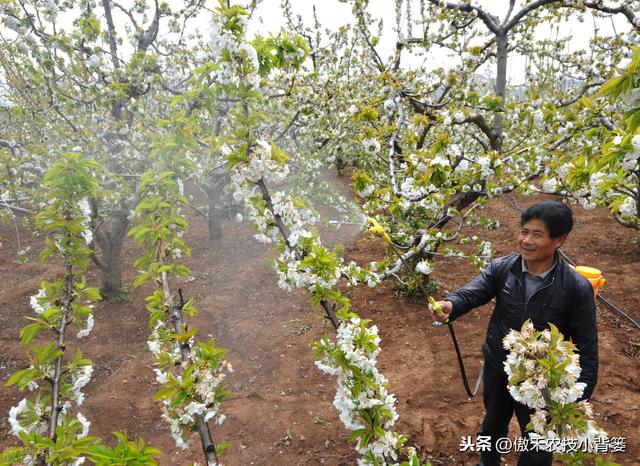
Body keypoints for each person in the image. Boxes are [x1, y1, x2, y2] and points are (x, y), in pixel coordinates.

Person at [429, 201, 598, 466]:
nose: (526, 240)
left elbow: (587, 346)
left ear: (559, 240)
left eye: (537, 234)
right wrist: (451, 304)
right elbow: (473, 292)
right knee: (492, 425)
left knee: (539, 440)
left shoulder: (576, 288)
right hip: (499, 366)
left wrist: (578, 396)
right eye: (524, 231)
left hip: (541, 378)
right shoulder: (503, 268)